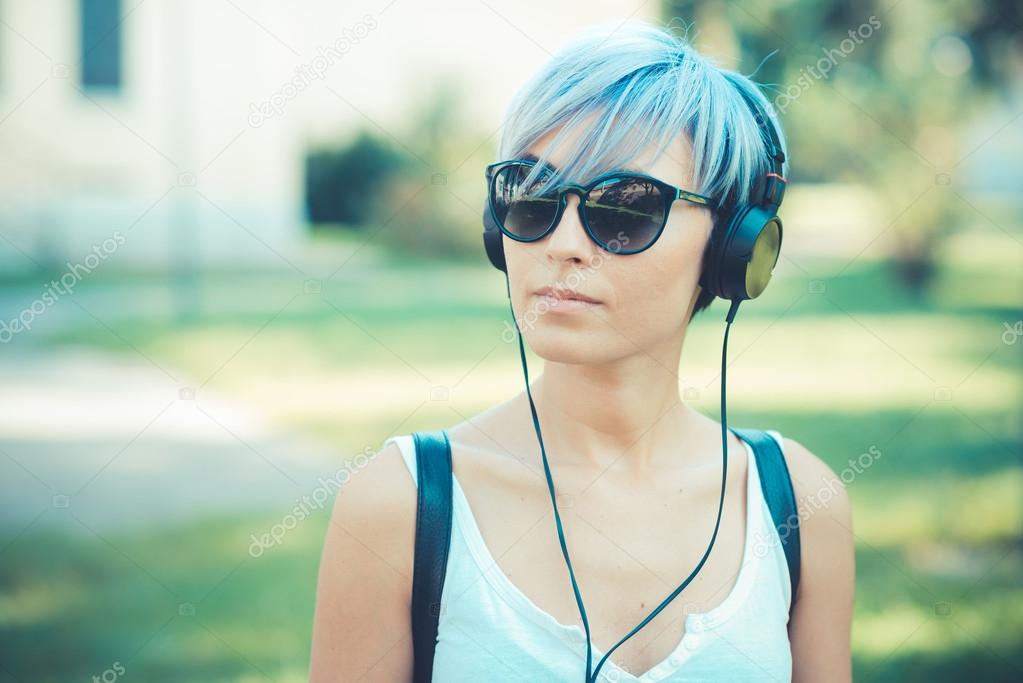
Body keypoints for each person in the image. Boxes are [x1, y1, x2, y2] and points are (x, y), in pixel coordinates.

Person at [310, 19, 854, 683]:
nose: (561, 242)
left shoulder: (797, 502)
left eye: (625, 205)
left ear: (730, 250)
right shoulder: (398, 505)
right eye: (531, 194)